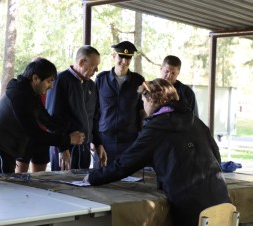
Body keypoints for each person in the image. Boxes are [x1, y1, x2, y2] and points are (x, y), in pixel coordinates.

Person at [84, 78, 231, 226]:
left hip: (193, 210)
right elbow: (216, 155)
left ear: (152, 100)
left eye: (143, 101)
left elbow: (126, 163)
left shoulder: (156, 128)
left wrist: (94, 177)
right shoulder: (195, 121)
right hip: (223, 203)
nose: (143, 106)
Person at [0, 57, 85, 175]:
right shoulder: (19, 95)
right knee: (0, 191)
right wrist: (68, 139)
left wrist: (67, 136)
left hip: (9, 151)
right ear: (35, 78)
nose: (51, 86)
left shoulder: (31, 93)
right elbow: (34, 133)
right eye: (49, 81)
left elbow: (47, 121)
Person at [46, 45, 106, 171]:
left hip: (84, 148)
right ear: (81, 62)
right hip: (65, 147)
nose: (96, 69)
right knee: (62, 187)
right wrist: (63, 147)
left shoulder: (91, 85)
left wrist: (98, 143)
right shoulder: (60, 80)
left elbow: (94, 117)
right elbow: (52, 118)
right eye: (94, 65)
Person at [93, 41, 145, 167]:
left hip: (129, 141)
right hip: (104, 140)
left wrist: (141, 138)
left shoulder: (138, 81)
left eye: (128, 58)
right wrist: (95, 141)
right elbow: (94, 111)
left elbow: (142, 111)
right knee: (100, 180)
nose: (124, 61)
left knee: (127, 183)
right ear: (114, 56)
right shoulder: (101, 79)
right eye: (121, 57)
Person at [15, 94, 49, 173]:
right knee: (19, 176)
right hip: (25, 137)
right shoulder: (25, 92)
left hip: (43, 136)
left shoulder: (50, 89)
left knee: (39, 176)